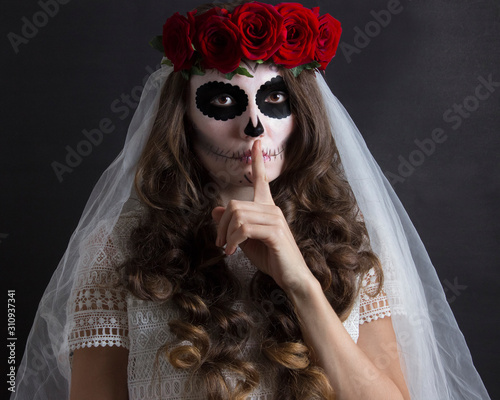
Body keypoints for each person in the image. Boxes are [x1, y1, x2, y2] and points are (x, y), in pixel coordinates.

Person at [12, 1, 490, 399]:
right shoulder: (118, 251)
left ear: (302, 115)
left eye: (275, 100)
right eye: (223, 102)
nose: (254, 127)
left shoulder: (349, 242)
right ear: (183, 118)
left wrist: (300, 283)